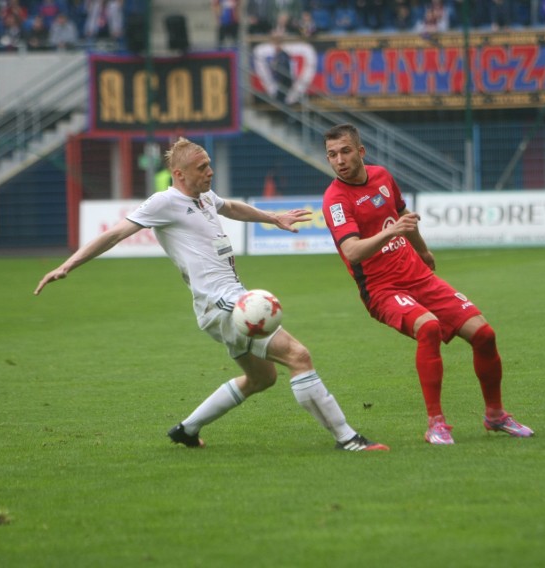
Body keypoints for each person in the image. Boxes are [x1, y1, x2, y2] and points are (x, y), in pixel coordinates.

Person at [34, 137, 388, 452]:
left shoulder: (202, 196)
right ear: (179, 174)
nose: (210, 172)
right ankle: (348, 438)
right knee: (298, 355)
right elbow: (115, 234)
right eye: (202, 168)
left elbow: (231, 207)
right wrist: (69, 264)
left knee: (263, 378)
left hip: (224, 301)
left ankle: (187, 430)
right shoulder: (163, 202)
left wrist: (272, 218)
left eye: (209, 165)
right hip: (222, 303)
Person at [321, 124, 533, 446]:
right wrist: (392, 233)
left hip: (418, 275)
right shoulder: (335, 200)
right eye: (332, 155)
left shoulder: (382, 177)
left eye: (345, 151)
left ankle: (496, 415)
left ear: (361, 152)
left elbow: (403, 215)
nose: (339, 160)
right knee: (429, 328)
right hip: (381, 289)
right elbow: (351, 251)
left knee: (485, 335)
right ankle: (436, 424)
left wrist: (421, 249)